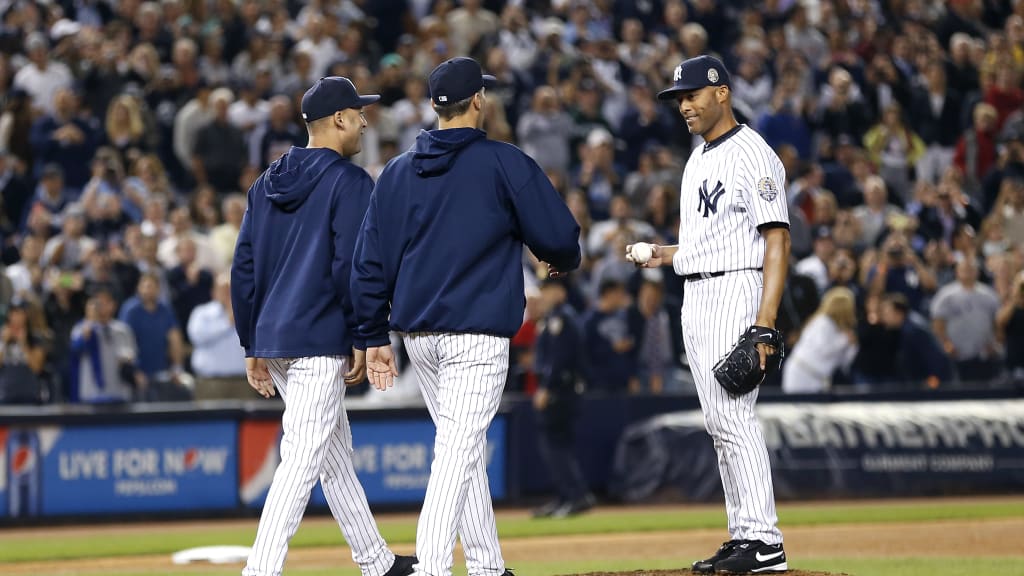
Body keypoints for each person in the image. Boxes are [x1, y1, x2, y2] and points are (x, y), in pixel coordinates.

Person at [350, 57, 581, 576]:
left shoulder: (396, 172)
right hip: (475, 336)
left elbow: (369, 263)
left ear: (435, 107)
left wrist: (371, 334)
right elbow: (562, 237)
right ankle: (432, 568)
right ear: (478, 100)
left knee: (463, 449)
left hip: (420, 339)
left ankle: (487, 567)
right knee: (457, 452)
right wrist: (559, 262)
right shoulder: (503, 162)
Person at [231, 77, 415, 576]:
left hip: (276, 338)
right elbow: (348, 266)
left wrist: (251, 340)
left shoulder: (266, 180)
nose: (363, 121)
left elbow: (244, 266)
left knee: (332, 452)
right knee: (300, 458)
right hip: (316, 338)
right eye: (358, 113)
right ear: (338, 119)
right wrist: (365, 333)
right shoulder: (350, 181)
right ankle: (260, 570)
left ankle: (376, 561)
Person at [632, 55, 789, 573]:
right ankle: (744, 533)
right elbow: (704, 244)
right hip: (696, 293)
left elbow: (776, 238)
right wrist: (663, 253)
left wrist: (765, 322)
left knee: (734, 418)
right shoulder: (698, 157)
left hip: (735, 292)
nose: (684, 105)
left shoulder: (754, 154)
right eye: (679, 98)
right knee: (720, 423)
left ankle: (765, 542)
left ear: (722, 92)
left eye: (693, 94)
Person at [531, 276, 594, 518]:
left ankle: (576, 497)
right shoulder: (551, 319)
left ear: (560, 292)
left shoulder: (563, 318)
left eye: (548, 290)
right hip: (560, 390)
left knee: (557, 447)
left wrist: (546, 387)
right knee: (556, 447)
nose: (544, 295)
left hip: (561, 391)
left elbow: (560, 359)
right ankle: (566, 496)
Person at [781, 287, 859, 393]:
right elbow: (824, 349)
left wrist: (852, 346)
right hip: (801, 372)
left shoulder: (841, 330)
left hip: (820, 379)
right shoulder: (822, 322)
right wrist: (844, 340)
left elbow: (844, 363)